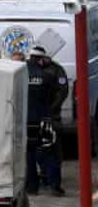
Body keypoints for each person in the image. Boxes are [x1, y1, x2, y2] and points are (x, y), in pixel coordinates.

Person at [26, 45, 68, 196]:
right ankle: (54, 186)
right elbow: (57, 94)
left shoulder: (20, 74)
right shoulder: (47, 76)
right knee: (51, 153)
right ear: (41, 59)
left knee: (29, 155)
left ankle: (31, 187)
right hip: (44, 119)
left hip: (26, 121)